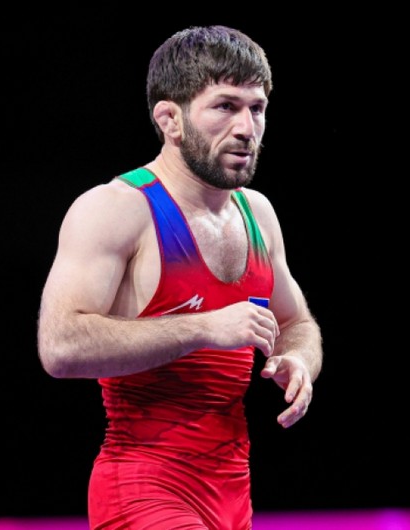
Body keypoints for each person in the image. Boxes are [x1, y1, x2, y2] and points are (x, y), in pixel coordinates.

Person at [36, 25, 323, 530]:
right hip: (142, 488)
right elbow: (60, 347)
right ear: (170, 119)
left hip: (233, 493)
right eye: (225, 106)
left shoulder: (258, 213)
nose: (247, 128)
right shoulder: (115, 209)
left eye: (257, 108)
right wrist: (204, 327)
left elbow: (297, 322)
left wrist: (299, 359)